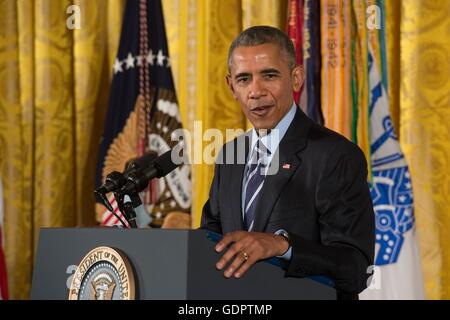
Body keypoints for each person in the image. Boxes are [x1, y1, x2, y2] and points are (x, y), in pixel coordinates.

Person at [200, 26, 375, 299]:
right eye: (244, 79)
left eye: (269, 75)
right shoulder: (229, 156)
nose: (256, 91)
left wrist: (282, 245)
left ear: (296, 79)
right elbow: (210, 242)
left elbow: (356, 269)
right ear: (231, 86)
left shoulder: (335, 155)